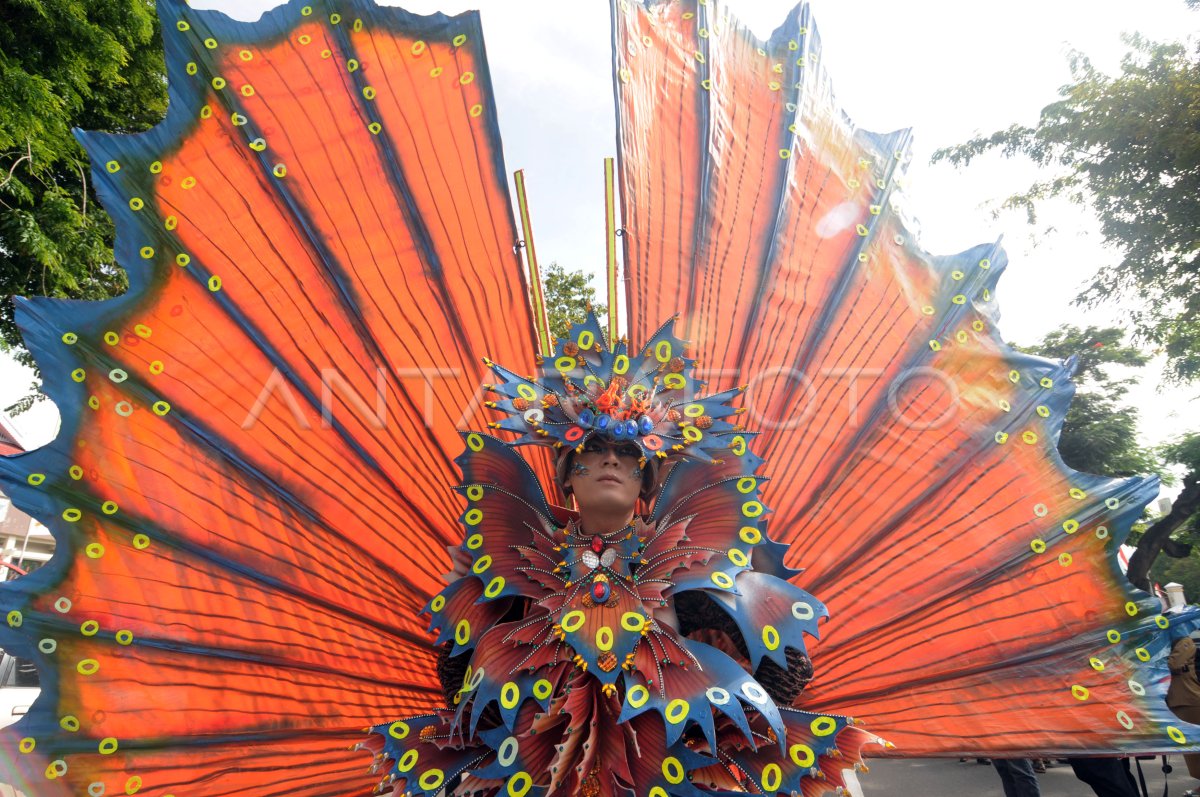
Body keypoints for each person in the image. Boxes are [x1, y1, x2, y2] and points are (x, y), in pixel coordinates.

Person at [1168, 628, 1200, 797]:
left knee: (1195, 747)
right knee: (1191, 748)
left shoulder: (1185, 642)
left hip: (1190, 700)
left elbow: (1174, 664)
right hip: (1183, 700)